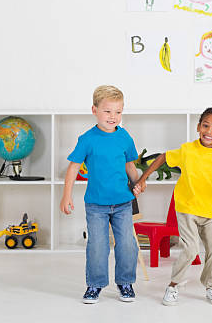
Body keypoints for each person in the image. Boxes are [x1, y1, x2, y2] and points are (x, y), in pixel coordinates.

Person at [134, 107, 212, 306]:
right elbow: (163, 157)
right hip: (187, 208)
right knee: (191, 249)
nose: (209, 131)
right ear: (198, 127)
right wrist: (142, 178)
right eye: (205, 126)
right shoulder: (188, 150)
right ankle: (173, 286)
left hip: (209, 212)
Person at [60, 85, 145, 304]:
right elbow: (73, 168)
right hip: (96, 205)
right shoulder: (87, 139)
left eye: (118, 112)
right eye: (107, 111)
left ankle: (125, 282)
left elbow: (130, 166)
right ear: (94, 110)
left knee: (127, 244)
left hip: (123, 203)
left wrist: (137, 184)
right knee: (97, 246)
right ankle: (95, 285)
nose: (113, 117)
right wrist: (66, 195)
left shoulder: (124, 137)